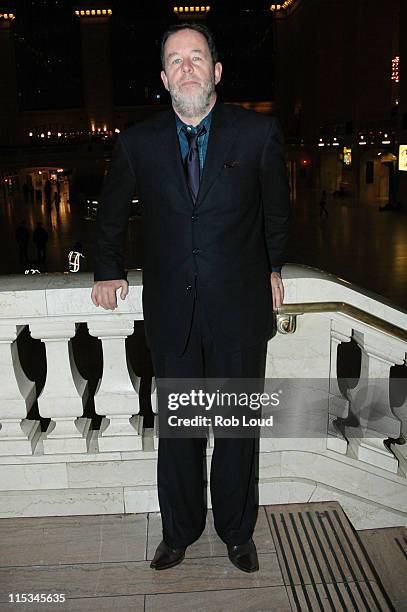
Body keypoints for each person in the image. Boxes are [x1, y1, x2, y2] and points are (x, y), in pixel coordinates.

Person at [91, 22, 291, 573]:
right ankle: (178, 531)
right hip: (173, 313)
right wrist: (106, 270)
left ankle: (236, 531)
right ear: (163, 77)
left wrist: (274, 267)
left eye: (196, 57)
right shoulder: (138, 142)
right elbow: (110, 215)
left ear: (216, 71)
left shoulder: (257, 135)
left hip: (239, 309)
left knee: (235, 432)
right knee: (180, 432)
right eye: (175, 60)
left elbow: (276, 211)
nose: (186, 67)